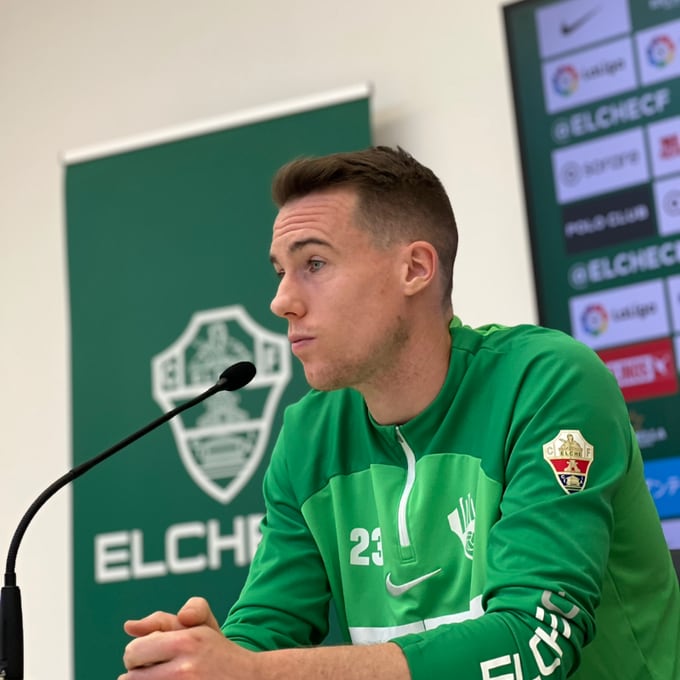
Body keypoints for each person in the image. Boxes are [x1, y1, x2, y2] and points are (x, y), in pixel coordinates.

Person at [119, 146, 680, 680]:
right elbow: (269, 629)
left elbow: (533, 644)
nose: (282, 300)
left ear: (414, 268)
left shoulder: (548, 382)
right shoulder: (309, 434)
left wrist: (250, 671)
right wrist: (206, 657)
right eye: (279, 271)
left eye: (313, 263)